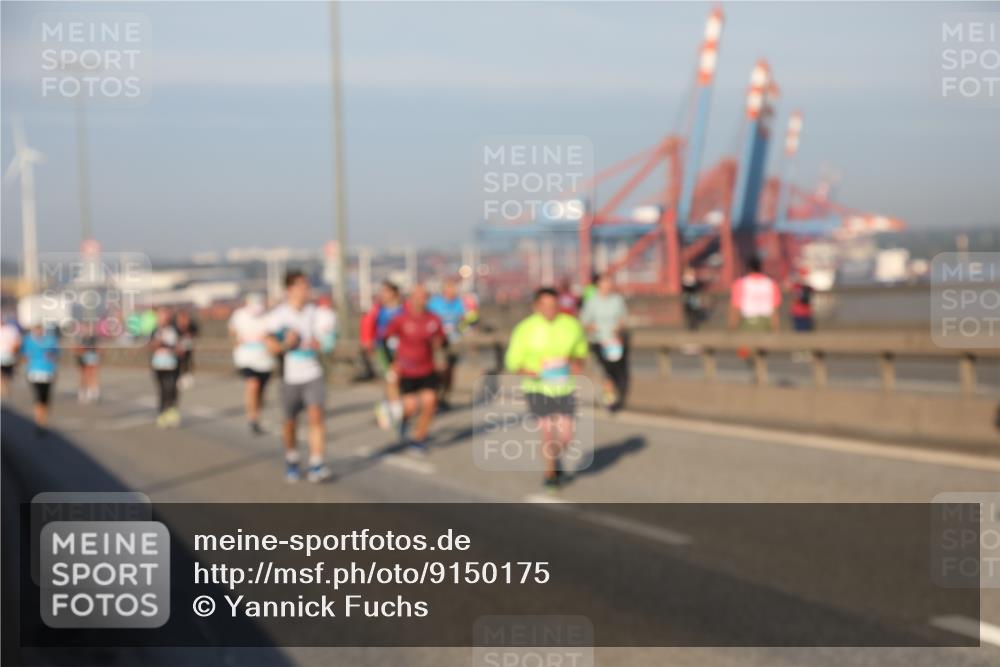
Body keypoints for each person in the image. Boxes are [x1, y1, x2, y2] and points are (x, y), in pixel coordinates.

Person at [505, 287, 588, 492]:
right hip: (538, 388)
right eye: (545, 306)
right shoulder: (524, 329)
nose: (550, 310)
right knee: (547, 431)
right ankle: (550, 474)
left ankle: (554, 459)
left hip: (563, 387)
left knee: (566, 436)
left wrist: (577, 363)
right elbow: (512, 362)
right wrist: (529, 371)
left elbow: (581, 351)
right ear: (536, 306)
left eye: (553, 305)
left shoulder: (571, 325)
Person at [266, 270, 332, 483]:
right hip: (289, 377)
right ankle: (292, 458)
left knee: (316, 416)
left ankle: (316, 462)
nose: (306, 290)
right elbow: (269, 345)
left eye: (307, 286)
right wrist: (286, 343)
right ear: (290, 289)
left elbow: (327, 341)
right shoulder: (279, 316)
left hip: (313, 372)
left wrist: (321, 343)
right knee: (290, 422)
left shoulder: (316, 312)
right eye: (302, 286)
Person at [384, 285, 446, 454]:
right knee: (411, 406)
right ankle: (404, 420)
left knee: (430, 402)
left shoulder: (433, 319)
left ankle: (419, 438)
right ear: (411, 298)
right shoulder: (400, 319)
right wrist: (392, 364)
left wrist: (439, 352)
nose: (422, 300)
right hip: (407, 370)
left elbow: (440, 341)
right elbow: (386, 341)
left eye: (425, 296)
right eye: (418, 296)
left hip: (427, 369)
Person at [579, 273, 629, 412]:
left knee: (616, 372)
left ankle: (614, 397)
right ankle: (608, 400)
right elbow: (584, 321)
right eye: (605, 282)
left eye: (609, 282)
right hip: (598, 341)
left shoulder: (617, 300)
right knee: (603, 372)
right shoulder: (592, 301)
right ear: (598, 284)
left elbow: (623, 318)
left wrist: (618, 328)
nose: (608, 285)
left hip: (614, 342)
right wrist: (592, 327)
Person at [229, 294, 275, 435]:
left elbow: (273, 336)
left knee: (261, 392)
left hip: (265, 360)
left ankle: (256, 414)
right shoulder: (239, 315)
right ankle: (252, 419)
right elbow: (232, 332)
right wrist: (235, 341)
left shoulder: (268, 317)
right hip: (246, 359)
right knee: (252, 385)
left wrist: (269, 340)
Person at [368, 281, 404, 430]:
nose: (383, 295)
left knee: (398, 381)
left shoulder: (403, 309)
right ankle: (395, 414)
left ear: (394, 293)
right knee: (391, 378)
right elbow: (370, 327)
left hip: (401, 349)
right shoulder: (378, 310)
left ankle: (391, 407)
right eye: (382, 292)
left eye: (386, 291)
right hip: (383, 348)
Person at [427, 277, 465, 410]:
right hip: (438, 341)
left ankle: (445, 396)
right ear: (444, 290)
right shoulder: (434, 303)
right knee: (439, 368)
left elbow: (464, 321)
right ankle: (435, 395)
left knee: (450, 370)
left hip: (453, 341)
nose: (453, 291)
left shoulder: (459, 303)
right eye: (450, 288)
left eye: (454, 288)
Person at [22, 323, 60, 436]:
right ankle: (39, 421)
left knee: (46, 398)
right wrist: (27, 368)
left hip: (48, 372)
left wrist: (54, 370)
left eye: (40, 329)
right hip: (34, 372)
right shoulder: (28, 341)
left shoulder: (50, 341)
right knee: (37, 396)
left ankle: (44, 419)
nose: (39, 332)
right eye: (37, 329)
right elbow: (25, 355)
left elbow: (55, 356)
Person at [728, 256, 782, 333]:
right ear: (761, 267)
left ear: (748, 268)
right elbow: (775, 310)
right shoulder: (772, 284)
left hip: (747, 323)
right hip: (766, 324)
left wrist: (732, 329)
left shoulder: (740, 283)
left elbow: (735, 309)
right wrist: (776, 331)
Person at [149, 307, 183, 428]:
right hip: (159, 364)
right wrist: (157, 343)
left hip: (172, 363)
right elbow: (151, 346)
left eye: (164, 315)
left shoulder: (174, 330)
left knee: (172, 387)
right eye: (160, 315)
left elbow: (180, 347)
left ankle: (172, 410)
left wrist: (174, 348)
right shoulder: (155, 330)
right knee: (162, 388)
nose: (162, 318)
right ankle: (162, 412)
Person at [74, 323, 101, 404]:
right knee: (84, 375)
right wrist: (80, 353)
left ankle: (92, 391)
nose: (87, 330)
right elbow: (77, 349)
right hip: (83, 357)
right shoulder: (80, 338)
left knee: (92, 373)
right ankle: (82, 392)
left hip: (91, 356)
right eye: (85, 328)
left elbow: (96, 348)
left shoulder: (93, 338)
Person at [175, 309, 199, 389]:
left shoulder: (191, 324)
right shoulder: (176, 325)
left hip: (188, 345)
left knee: (188, 360)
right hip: (179, 345)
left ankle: (188, 376)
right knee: (180, 361)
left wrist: (190, 335)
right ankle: (180, 376)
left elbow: (195, 331)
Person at [0, 315, 22, 399]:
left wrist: (14, 350)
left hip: (8, 355)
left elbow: (17, 341)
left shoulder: (11, 330)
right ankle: (2, 389)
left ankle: (5, 387)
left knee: (7, 374)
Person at [681, 267, 707, 331]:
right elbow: (685, 289)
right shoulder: (685, 280)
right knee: (688, 312)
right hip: (687, 298)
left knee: (694, 312)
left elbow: (697, 288)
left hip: (694, 298)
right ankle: (691, 325)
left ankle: (694, 325)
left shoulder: (694, 280)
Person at [789, 267, 815, 332]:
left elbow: (810, 295)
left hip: (807, 313)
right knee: (798, 332)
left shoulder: (808, 287)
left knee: (807, 332)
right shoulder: (796, 286)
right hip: (797, 313)